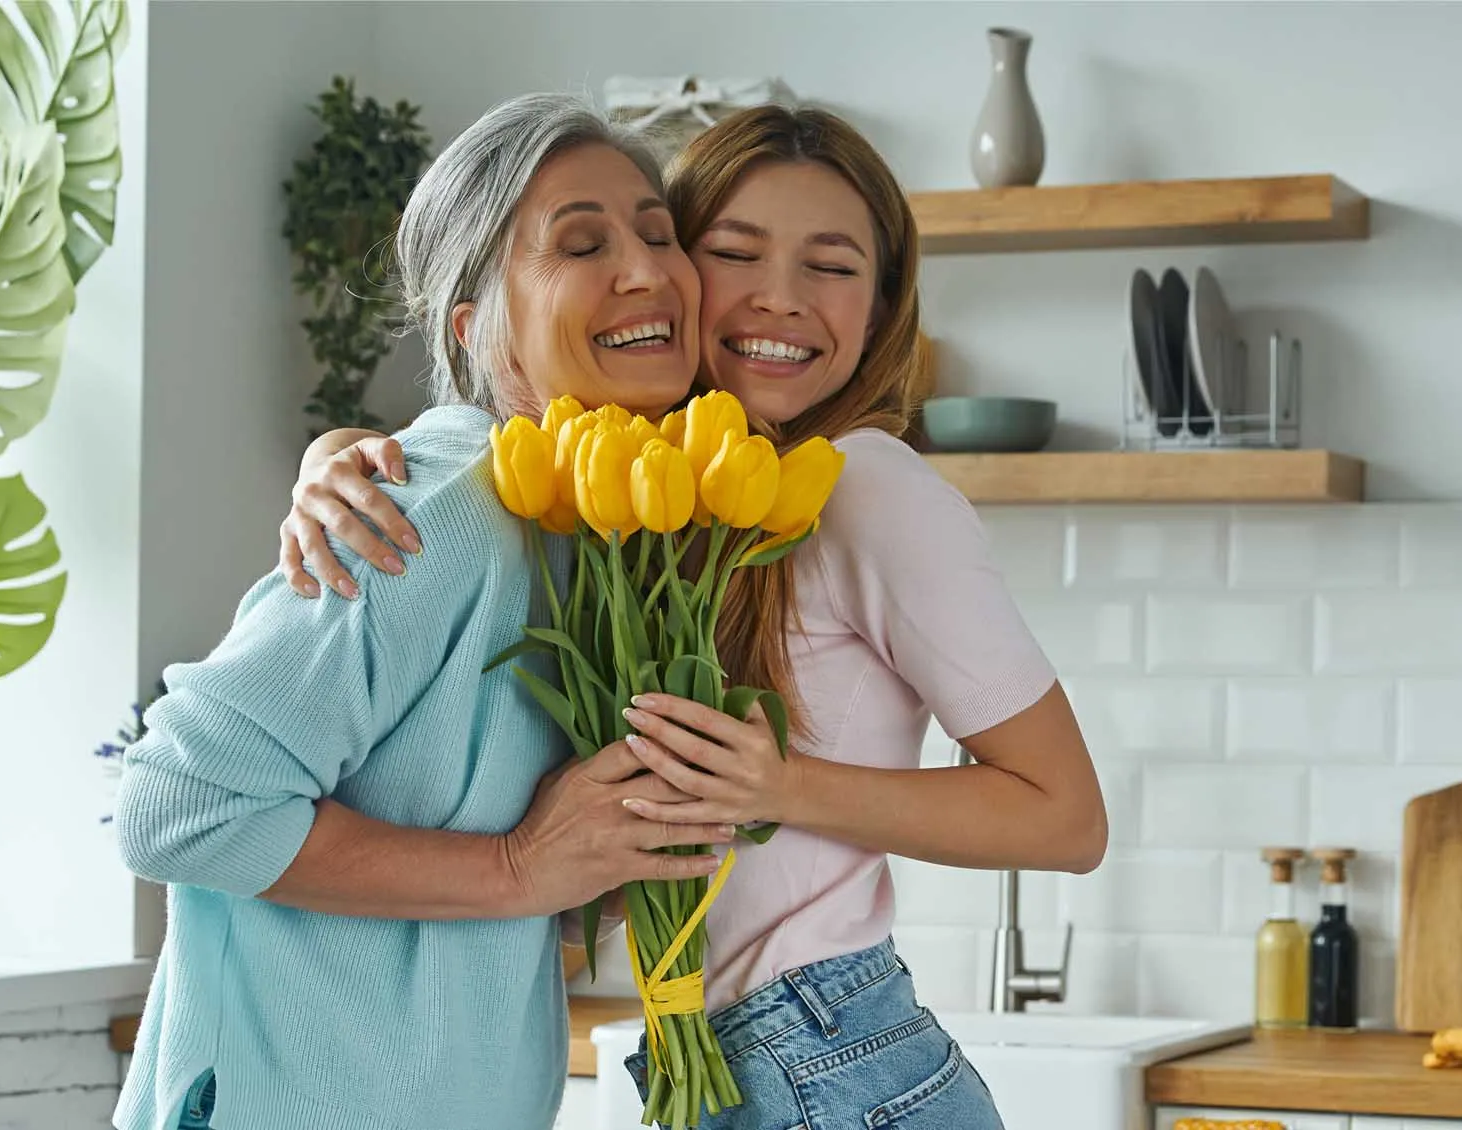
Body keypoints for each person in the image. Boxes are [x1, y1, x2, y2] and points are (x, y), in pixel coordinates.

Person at [277, 103, 1108, 1129]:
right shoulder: (646, 498)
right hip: (717, 1060)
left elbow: (1064, 815)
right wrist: (343, 456)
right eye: (732, 251)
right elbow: (493, 425)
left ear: (883, 304)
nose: (779, 299)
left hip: (828, 1052)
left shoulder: (865, 485)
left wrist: (779, 783)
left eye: (833, 265)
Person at [110, 92, 739, 1130]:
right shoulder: (439, 510)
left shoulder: (596, 536)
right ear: (477, 330)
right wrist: (517, 865)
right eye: (580, 243)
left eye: (658, 233)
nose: (646, 269)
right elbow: (175, 801)